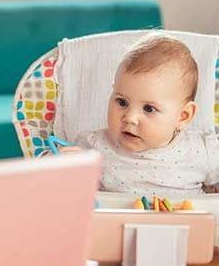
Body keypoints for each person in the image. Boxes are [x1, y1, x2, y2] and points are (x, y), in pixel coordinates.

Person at [61, 34, 219, 196]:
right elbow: (68, 192)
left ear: (183, 116)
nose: (130, 117)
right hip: (115, 221)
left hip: (182, 220)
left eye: (149, 109)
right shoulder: (92, 147)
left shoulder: (204, 151)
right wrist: (70, 171)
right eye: (122, 102)